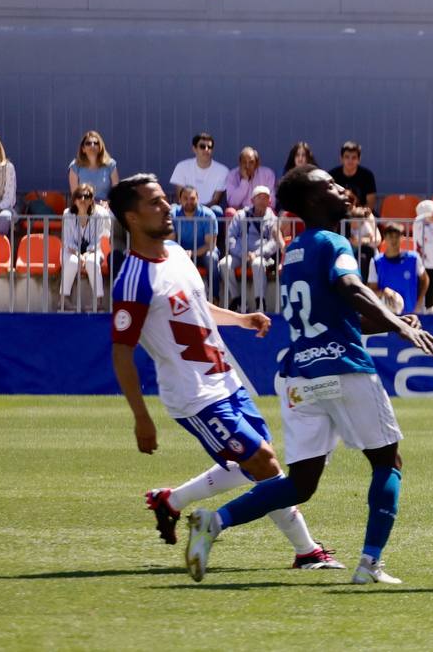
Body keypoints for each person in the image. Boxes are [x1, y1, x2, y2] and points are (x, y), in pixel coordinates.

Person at [184, 165, 433, 585]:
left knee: (301, 483)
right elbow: (350, 287)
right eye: (330, 186)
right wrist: (398, 326)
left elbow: (334, 317)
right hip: (345, 368)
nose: (342, 190)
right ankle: (370, 564)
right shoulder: (334, 241)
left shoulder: (295, 252)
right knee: (387, 461)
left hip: (302, 374)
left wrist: (392, 319)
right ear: (311, 202)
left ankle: (213, 522)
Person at [107, 173, 340, 574]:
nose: (167, 207)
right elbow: (121, 353)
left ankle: (171, 501)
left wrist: (241, 319)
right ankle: (307, 551)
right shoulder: (133, 280)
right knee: (265, 463)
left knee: (250, 465)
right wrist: (141, 418)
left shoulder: (177, 254)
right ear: (130, 217)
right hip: (195, 396)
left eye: (165, 200)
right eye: (155, 202)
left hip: (227, 380)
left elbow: (197, 308)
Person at [219, 186, 281, 313]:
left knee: (258, 264)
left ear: (269, 201)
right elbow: (230, 237)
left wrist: (257, 254)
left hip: (262, 256)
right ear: (252, 200)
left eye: (266, 198)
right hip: (240, 254)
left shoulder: (273, 219)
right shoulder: (240, 215)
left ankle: (260, 303)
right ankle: (237, 300)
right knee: (224, 263)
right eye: (259, 197)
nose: (262, 200)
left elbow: (274, 242)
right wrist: (242, 253)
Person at [61, 185, 109, 310]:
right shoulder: (67, 214)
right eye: (79, 196)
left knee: (92, 262)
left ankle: (98, 302)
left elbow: (98, 240)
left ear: (91, 199)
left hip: (93, 250)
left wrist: (86, 254)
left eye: (87, 196)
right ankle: (64, 300)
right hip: (70, 250)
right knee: (72, 261)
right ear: (74, 199)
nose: (82, 199)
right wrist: (78, 255)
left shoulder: (100, 214)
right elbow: (68, 241)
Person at [369, 222, 427, 316]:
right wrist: (383, 292)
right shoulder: (376, 262)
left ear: (402, 238)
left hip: (410, 316)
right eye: (390, 236)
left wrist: (419, 303)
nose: (394, 240)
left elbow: (425, 280)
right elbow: (372, 291)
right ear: (385, 238)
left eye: (397, 237)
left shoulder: (413, 258)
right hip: (386, 317)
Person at [171, 185, 219, 295]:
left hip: (203, 253)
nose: (189, 201)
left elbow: (210, 245)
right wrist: (182, 253)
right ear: (179, 200)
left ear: (198, 199)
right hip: (181, 253)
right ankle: (176, 298)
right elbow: (170, 241)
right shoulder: (173, 214)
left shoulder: (208, 215)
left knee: (212, 257)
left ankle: (214, 296)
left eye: (192, 198)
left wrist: (192, 253)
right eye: (185, 198)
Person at [170, 133, 229, 215]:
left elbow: (216, 200)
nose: (206, 149)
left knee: (217, 210)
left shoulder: (223, 170)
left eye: (209, 147)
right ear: (194, 149)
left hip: (208, 211)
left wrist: (200, 211)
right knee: (173, 209)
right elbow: (180, 197)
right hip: (186, 208)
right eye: (202, 146)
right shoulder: (182, 167)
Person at [68, 130, 119, 205]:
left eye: (96, 143)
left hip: (105, 207)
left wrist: (107, 203)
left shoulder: (110, 165)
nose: (92, 145)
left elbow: (116, 192)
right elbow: (75, 195)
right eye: (88, 143)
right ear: (83, 149)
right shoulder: (75, 166)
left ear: (100, 147)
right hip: (83, 206)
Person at [224, 147, 278, 216]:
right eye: (244, 162)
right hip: (240, 212)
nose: (247, 166)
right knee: (230, 211)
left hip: (261, 211)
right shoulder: (232, 175)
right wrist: (244, 181)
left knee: (272, 212)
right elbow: (232, 203)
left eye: (251, 162)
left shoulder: (268, 174)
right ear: (240, 163)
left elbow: (271, 202)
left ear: (257, 164)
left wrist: (253, 209)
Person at [329, 141, 378, 215]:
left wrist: (358, 216)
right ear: (341, 159)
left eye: (354, 157)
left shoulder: (367, 176)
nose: (350, 160)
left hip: (362, 216)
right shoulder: (332, 175)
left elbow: (370, 204)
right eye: (347, 157)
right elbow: (329, 201)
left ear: (359, 159)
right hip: (339, 216)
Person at [412, 199, 433, 314]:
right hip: (420, 260)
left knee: (432, 282)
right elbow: (422, 221)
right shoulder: (418, 222)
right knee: (420, 285)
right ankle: (418, 307)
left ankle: (430, 305)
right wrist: (431, 216)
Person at [344, 189, 380, 280]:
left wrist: (361, 241)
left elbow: (377, 239)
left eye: (350, 202)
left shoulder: (364, 216)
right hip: (347, 249)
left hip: (363, 249)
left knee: (364, 257)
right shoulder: (340, 218)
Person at [0, 132, 15, 236]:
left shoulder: (8, 168)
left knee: (4, 217)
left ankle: (0, 249)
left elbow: (9, 198)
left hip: (3, 208)